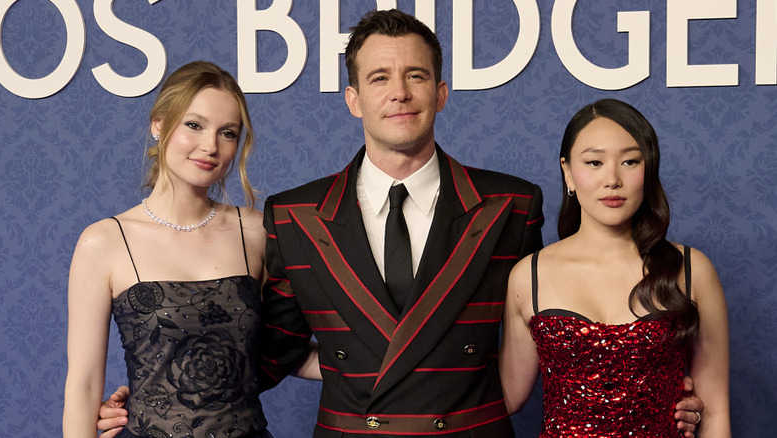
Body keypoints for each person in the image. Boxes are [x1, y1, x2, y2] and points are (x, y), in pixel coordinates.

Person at [98, 10, 704, 438]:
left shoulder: (511, 205)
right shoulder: (296, 215)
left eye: (416, 76)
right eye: (379, 78)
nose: (400, 93)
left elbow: (558, 330)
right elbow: (272, 350)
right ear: (352, 99)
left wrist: (653, 397)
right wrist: (161, 398)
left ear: (441, 92)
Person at [63, 61, 274, 437]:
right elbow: (83, 385)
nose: (210, 146)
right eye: (194, 125)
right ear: (158, 124)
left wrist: (387, 364)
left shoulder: (256, 231)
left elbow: (289, 351)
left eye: (227, 133)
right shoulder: (105, 241)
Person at [499, 99, 730, 437]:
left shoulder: (692, 269)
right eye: (594, 162)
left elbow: (715, 411)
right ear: (568, 173)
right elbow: (507, 396)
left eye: (630, 161)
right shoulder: (528, 276)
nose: (612, 179)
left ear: (648, 170)